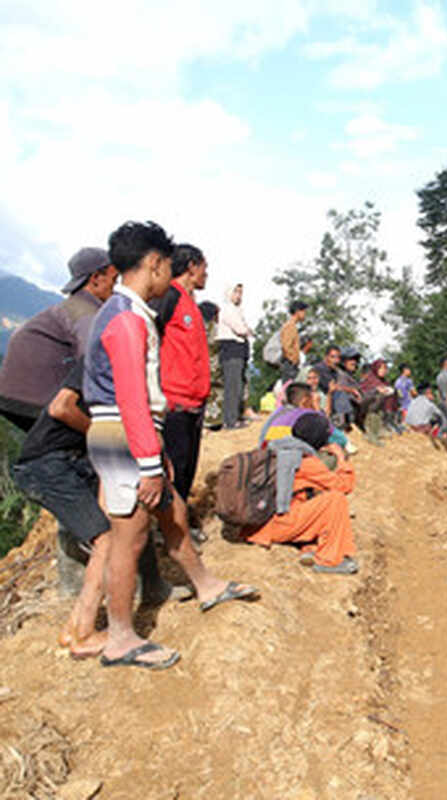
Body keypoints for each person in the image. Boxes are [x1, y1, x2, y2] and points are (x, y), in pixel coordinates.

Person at [85, 221, 257, 669]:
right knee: (130, 538)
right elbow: (131, 397)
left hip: (135, 432)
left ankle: (207, 585)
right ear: (155, 263)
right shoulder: (126, 319)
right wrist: (147, 463)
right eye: (166, 264)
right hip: (123, 432)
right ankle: (121, 638)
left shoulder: (131, 311)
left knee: (174, 510)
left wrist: (156, 453)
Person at [10, 363, 175, 658]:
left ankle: (73, 627)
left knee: (109, 532)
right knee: (106, 540)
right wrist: (100, 433)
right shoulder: (101, 358)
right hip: (49, 464)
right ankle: (84, 634)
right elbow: (61, 407)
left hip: (77, 460)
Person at [0, 247, 118, 431]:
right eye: (114, 279)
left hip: (11, 398)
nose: (117, 288)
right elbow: (96, 360)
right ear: (95, 278)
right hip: (35, 405)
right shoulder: (86, 312)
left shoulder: (68, 307)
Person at [150, 243, 211, 545]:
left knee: (186, 467)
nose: (206, 273)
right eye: (204, 267)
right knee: (174, 468)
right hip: (174, 401)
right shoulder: (170, 296)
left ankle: (178, 524)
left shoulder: (191, 304)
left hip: (195, 402)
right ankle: (168, 529)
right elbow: (150, 335)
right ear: (191, 266)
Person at [245, 412, 358, 574]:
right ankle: (329, 561)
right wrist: (341, 459)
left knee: (308, 499)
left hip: (256, 522)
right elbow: (344, 486)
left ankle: (309, 547)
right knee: (335, 500)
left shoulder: (276, 448)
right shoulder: (305, 461)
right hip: (274, 526)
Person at [215, 283, 252, 430]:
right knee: (232, 386)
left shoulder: (237, 310)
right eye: (236, 292)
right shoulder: (227, 309)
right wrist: (247, 330)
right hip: (231, 349)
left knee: (238, 386)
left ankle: (235, 417)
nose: (238, 295)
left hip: (239, 350)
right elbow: (241, 329)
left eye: (240, 292)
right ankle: (230, 420)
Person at [359, 359, 395, 445]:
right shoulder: (370, 379)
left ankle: (379, 428)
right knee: (378, 397)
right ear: (376, 368)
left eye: (385, 368)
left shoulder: (384, 381)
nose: (383, 370)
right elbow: (362, 393)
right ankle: (370, 434)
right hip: (364, 408)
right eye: (381, 368)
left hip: (376, 408)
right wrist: (376, 390)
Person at [278, 300, 309, 383]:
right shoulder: (290, 326)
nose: (305, 314)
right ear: (297, 311)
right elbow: (286, 347)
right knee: (290, 388)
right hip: (290, 366)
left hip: (291, 365)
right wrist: (294, 361)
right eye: (303, 311)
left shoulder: (293, 326)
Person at [435, 357, 447, 436]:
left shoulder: (438, 376)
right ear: (446, 364)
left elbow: (439, 391)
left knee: (444, 423)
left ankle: (439, 437)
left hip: (441, 401)